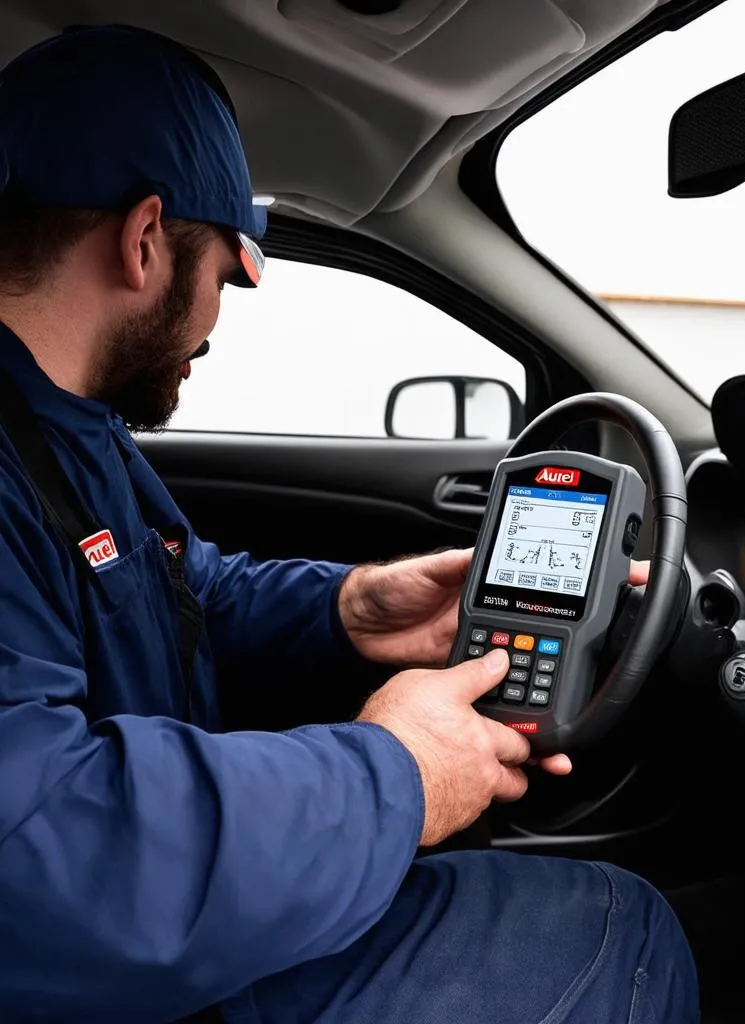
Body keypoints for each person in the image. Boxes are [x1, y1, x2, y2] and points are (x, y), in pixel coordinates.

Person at [0, 24, 699, 1024]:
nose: (217, 320)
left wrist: (347, 608)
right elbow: (38, 854)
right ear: (145, 239)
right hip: (92, 966)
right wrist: (393, 774)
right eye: (228, 274)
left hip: (142, 930)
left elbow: (175, 586)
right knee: (615, 931)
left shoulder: (67, 429)